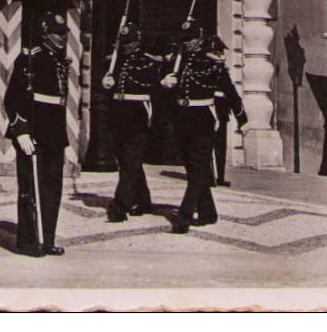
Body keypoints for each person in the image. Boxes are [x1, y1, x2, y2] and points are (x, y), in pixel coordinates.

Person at [160, 19, 238, 234]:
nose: (187, 43)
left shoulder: (211, 63)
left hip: (202, 119)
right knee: (195, 168)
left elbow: (230, 92)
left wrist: (244, 121)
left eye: (191, 39)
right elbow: (163, 87)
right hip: (181, 119)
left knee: (196, 171)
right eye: (184, 39)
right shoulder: (175, 61)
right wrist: (164, 83)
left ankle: (184, 216)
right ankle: (208, 213)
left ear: (200, 39)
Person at [4, 11, 70, 256]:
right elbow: (12, 99)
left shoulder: (59, 60)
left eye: (64, 33)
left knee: (53, 189)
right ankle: (29, 241)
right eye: (57, 33)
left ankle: (48, 239)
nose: (62, 38)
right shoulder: (29, 59)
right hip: (34, 135)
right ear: (45, 33)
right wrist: (20, 131)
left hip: (54, 136)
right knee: (31, 190)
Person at [101, 22, 162, 222]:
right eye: (123, 42)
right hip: (118, 114)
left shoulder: (149, 61)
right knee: (128, 161)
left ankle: (120, 205)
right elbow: (106, 86)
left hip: (138, 115)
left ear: (138, 42)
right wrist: (105, 83)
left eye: (130, 42)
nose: (126, 46)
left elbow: (151, 86)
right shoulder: (114, 61)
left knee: (131, 160)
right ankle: (144, 201)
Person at [206, 35, 247, 188]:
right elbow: (231, 94)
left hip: (220, 112)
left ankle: (218, 176)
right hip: (209, 111)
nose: (221, 55)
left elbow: (232, 95)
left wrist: (241, 117)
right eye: (218, 52)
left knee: (219, 146)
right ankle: (211, 177)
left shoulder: (220, 69)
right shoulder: (209, 69)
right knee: (209, 146)